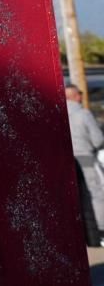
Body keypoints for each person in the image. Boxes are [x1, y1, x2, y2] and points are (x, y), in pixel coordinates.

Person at [66, 85, 104, 238]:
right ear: (76, 96)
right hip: (86, 157)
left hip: (68, 160)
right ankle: (100, 229)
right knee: (95, 193)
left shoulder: (57, 113)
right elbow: (97, 139)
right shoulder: (83, 114)